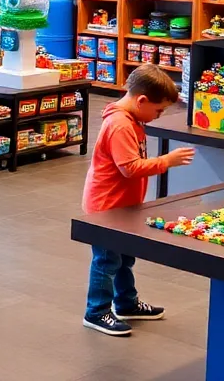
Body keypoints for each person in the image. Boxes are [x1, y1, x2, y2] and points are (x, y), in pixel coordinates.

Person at [81, 65, 194, 336]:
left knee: (124, 257)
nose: (158, 116)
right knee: (107, 261)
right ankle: (96, 312)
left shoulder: (131, 119)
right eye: (158, 111)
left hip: (123, 204)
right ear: (141, 100)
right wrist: (166, 161)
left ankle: (126, 303)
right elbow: (129, 168)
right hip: (108, 207)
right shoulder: (120, 125)